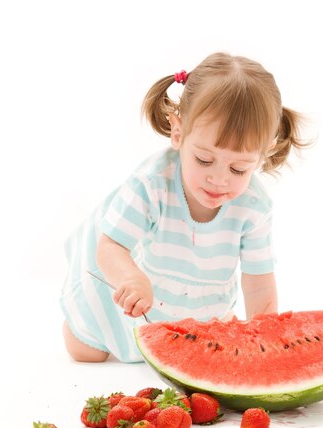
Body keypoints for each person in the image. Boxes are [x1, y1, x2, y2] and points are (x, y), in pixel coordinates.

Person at [60, 52, 310, 363]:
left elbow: (259, 283)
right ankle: (87, 326)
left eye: (239, 169)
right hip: (142, 300)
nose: (218, 179)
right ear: (178, 134)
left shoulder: (254, 208)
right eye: (204, 160)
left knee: (201, 358)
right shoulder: (152, 184)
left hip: (205, 312)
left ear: (263, 154)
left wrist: (264, 339)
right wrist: (130, 279)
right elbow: (110, 245)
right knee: (85, 351)